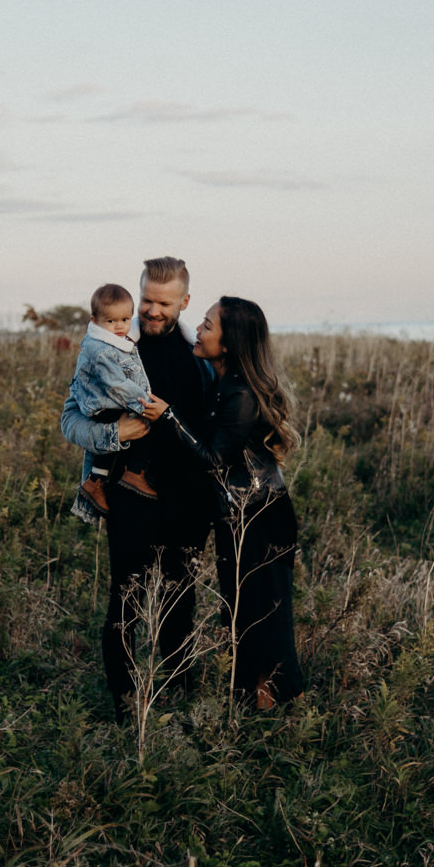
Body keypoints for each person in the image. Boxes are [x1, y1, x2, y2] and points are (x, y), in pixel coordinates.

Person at [58, 256, 215, 721]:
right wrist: (114, 436)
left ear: (183, 302)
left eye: (164, 303)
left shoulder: (203, 360)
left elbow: (214, 436)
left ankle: (178, 697)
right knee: (125, 599)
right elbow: (70, 419)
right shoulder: (111, 351)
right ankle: (127, 707)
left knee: (179, 600)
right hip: (130, 495)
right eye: (147, 299)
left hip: (188, 502)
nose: (152, 310)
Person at [163, 296, 306, 709]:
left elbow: (212, 458)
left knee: (263, 615)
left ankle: (279, 702)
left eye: (207, 325)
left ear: (228, 344)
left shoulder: (240, 393)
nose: (199, 329)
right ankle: (255, 701)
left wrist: (167, 417)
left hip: (259, 515)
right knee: (242, 612)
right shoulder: (223, 379)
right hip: (239, 514)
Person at [65, 282, 160, 520]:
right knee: (136, 431)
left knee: (130, 436)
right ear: (95, 320)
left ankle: (103, 479)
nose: (119, 326)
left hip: (106, 404)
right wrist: (144, 405)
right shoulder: (102, 350)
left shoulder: (122, 339)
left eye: (125, 319)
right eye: (111, 321)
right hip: (103, 406)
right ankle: (127, 474)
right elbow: (117, 385)